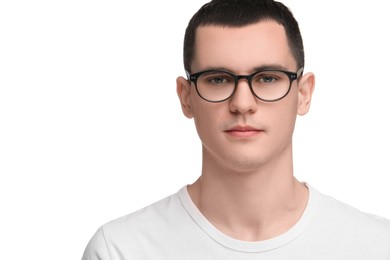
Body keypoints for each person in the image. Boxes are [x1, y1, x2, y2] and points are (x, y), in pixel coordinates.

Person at [82, 0, 390, 259]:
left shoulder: (377, 247)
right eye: (218, 79)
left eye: (268, 78)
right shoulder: (120, 250)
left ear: (304, 93)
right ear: (186, 97)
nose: (243, 104)